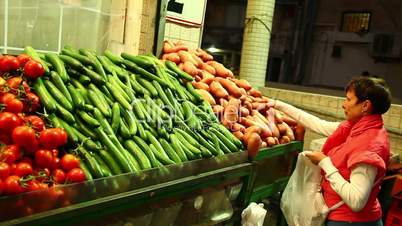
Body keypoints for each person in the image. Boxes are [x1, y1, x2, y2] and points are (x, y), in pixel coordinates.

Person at [271, 77, 391, 226]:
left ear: (365, 105)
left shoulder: (368, 144)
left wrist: (324, 162)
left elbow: (357, 201)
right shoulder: (360, 128)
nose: (343, 104)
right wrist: (276, 104)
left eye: (348, 100)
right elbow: (318, 124)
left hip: (352, 222)